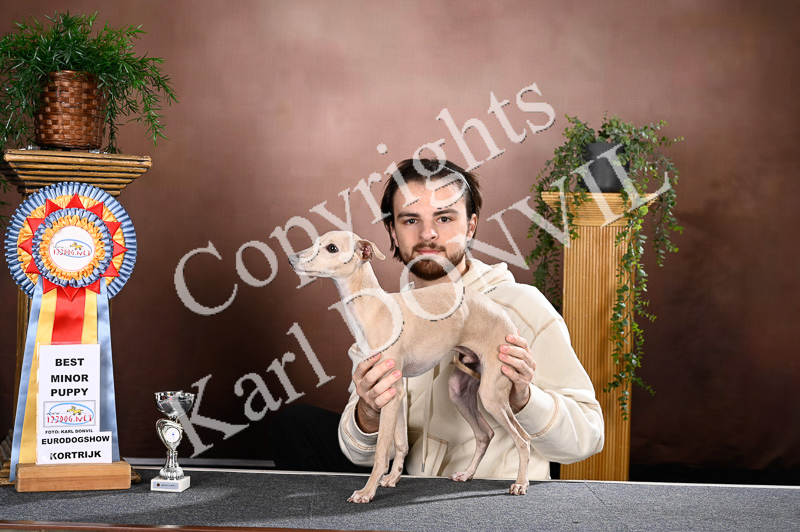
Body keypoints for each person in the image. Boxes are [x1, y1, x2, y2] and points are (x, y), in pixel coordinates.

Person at [271, 158, 604, 480]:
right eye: (410, 220)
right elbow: (357, 454)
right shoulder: (381, 317)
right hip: (409, 490)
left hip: (487, 499)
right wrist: (368, 411)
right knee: (296, 424)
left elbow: (589, 438)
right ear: (392, 231)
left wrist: (524, 398)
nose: (427, 233)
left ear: (470, 226)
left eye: (444, 218)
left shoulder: (521, 305)